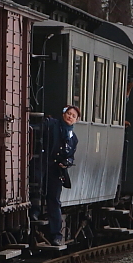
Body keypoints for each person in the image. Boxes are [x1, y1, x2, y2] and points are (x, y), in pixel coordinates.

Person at [42, 105, 80, 246]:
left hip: (56, 171)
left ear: (76, 120)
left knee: (54, 201)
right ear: (63, 114)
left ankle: (56, 235)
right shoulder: (53, 125)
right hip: (44, 167)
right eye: (68, 113)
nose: (70, 117)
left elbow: (71, 156)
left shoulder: (73, 139)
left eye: (73, 116)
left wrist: (67, 162)